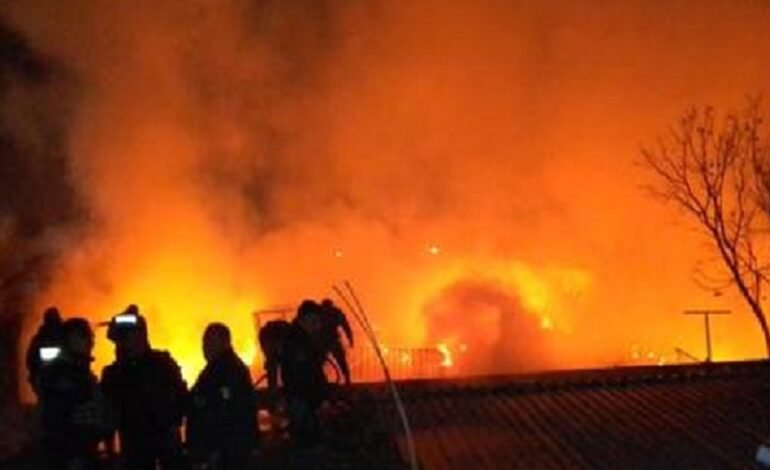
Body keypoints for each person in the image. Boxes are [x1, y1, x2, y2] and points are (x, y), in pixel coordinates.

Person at [100, 305, 187, 469]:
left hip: (165, 442)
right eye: (126, 337)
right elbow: (108, 413)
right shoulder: (114, 374)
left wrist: (172, 423)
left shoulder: (162, 363)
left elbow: (181, 397)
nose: (131, 341)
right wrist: (111, 452)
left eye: (135, 334)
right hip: (134, 445)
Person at [36, 317, 107, 470]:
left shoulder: (81, 373)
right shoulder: (61, 374)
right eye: (83, 336)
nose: (90, 341)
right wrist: (72, 456)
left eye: (90, 336)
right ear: (68, 339)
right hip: (70, 455)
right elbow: (56, 420)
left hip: (85, 451)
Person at [188, 323, 257, 470]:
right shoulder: (222, 368)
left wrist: (215, 449)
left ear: (224, 342)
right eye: (204, 342)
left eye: (210, 342)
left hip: (225, 451)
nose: (205, 347)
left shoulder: (224, 371)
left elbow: (226, 412)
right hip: (227, 449)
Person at [280, 300, 329, 448]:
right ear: (305, 319)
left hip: (302, 401)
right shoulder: (298, 342)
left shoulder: (299, 339)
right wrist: (319, 398)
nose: (318, 327)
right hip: (303, 402)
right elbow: (305, 375)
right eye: (315, 322)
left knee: (307, 440)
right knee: (307, 442)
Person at [26, 306, 63, 396]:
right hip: (51, 381)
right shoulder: (62, 338)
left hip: (49, 381)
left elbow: (30, 361)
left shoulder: (39, 339)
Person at [319, 299, 354, 385]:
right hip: (325, 341)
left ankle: (347, 379)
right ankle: (347, 379)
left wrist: (350, 337)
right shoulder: (332, 312)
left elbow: (345, 325)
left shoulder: (333, 313)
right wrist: (350, 338)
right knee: (319, 362)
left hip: (329, 340)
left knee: (340, 360)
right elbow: (345, 326)